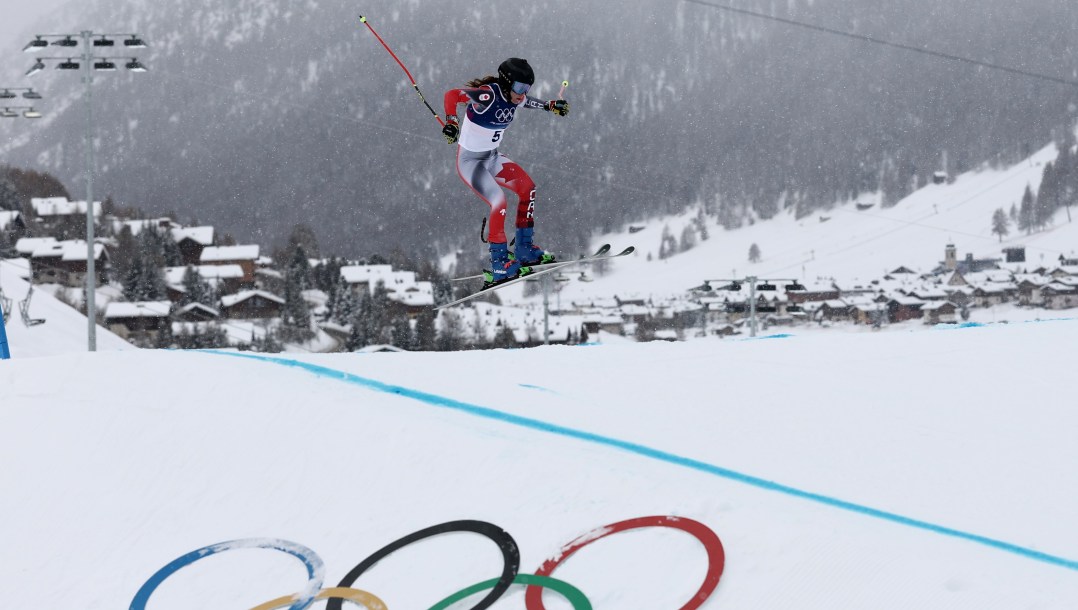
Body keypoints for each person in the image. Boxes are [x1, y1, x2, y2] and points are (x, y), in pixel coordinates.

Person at [442, 57, 570, 287]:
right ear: (506, 82)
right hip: (471, 162)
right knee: (498, 202)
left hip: (491, 158)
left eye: (527, 88)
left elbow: (526, 102)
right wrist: (452, 122)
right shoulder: (488, 95)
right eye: (520, 87)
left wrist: (549, 105)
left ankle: (523, 248)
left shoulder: (514, 98)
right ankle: (499, 262)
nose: (522, 93)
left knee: (527, 188)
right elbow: (452, 95)